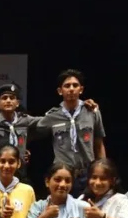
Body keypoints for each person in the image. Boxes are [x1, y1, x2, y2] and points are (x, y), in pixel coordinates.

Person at [37, 69, 106, 197]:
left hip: (87, 173)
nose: (71, 89)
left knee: (88, 208)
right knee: (62, 208)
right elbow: (32, 130)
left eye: (75, 85)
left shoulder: (92, 111)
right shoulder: (52, 116)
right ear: (60, 91)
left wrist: (103, 170)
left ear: (81, 89)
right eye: (67, 86)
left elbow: (99, 143)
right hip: (63, 175)